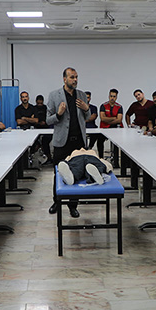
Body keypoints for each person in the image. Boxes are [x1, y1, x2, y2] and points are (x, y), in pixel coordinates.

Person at [46, 67, 90, 218]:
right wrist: (58, 114)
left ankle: (73, 206)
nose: (75, 80)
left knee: (77, 174)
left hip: (78, 143)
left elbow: (87, 117)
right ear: (64, 79)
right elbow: (48, 120)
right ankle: (57, 202)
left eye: (76, 77)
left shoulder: (82, 95)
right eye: (72, 77)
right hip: (61, 143)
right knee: (58, 173)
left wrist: (87, 108)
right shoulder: (54, 95)